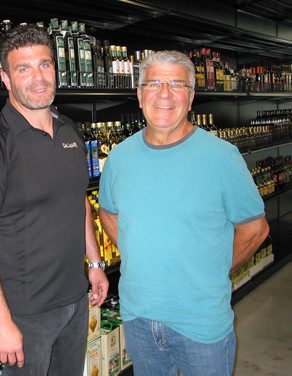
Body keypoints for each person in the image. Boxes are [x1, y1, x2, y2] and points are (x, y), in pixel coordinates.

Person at [98, 50, 269, 376]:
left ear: (190, 98)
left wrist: (212, 269)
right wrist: (144, 259)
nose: (164, 94)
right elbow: (108, 214)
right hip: (138, 319)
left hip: (201, 323)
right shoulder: (119, 157)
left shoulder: (222, 157)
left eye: (177, 85)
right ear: (139, 94)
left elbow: (255, 229)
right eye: (154, 84)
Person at [0, 24, 109, 375]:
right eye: (23, 69)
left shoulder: (68, 129)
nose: (38, 78)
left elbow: (79, 201)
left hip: (75, 299)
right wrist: (0, 321)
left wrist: (95, 264)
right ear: (6, 79)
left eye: (44, 65)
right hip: (26, 314)